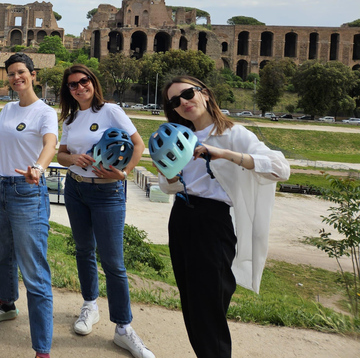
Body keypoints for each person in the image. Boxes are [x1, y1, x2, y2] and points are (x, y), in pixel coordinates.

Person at [157, 75, 290, 358]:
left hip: (213, 222)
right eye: (174, 101)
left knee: (209, 306)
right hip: (182, 216)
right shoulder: (180, 135)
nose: (183, 102)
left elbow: (280, 168)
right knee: (191, 303)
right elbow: (168, 186)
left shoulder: (233, 134)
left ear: (205, 93)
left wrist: (226, 154)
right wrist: (168, 171)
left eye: (188, 94)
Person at [56, 64, 155, 358]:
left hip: (106, 193)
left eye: (83, 81)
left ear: (92, 82)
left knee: (113, 262)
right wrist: (73, 157)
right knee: (84, 251)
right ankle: (89, 305)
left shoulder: (109, 111)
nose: (79, 87)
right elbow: (61, 155)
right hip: (75, 188)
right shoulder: (70, 118)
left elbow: (138, 145)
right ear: (68, 90)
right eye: (73, 85)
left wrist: (124, 173)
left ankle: (124, 328)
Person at [0, 53, 58, 358]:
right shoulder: (8, 109)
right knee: (3, 256)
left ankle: (42, 349)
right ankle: (7, 303)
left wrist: (39, 167)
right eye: (11, 73)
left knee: (34, 271)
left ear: (33, 75)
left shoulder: (44, 112)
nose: (16, 78)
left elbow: (50, 144)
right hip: (0, 190)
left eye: (21, 72)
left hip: (28, 190)